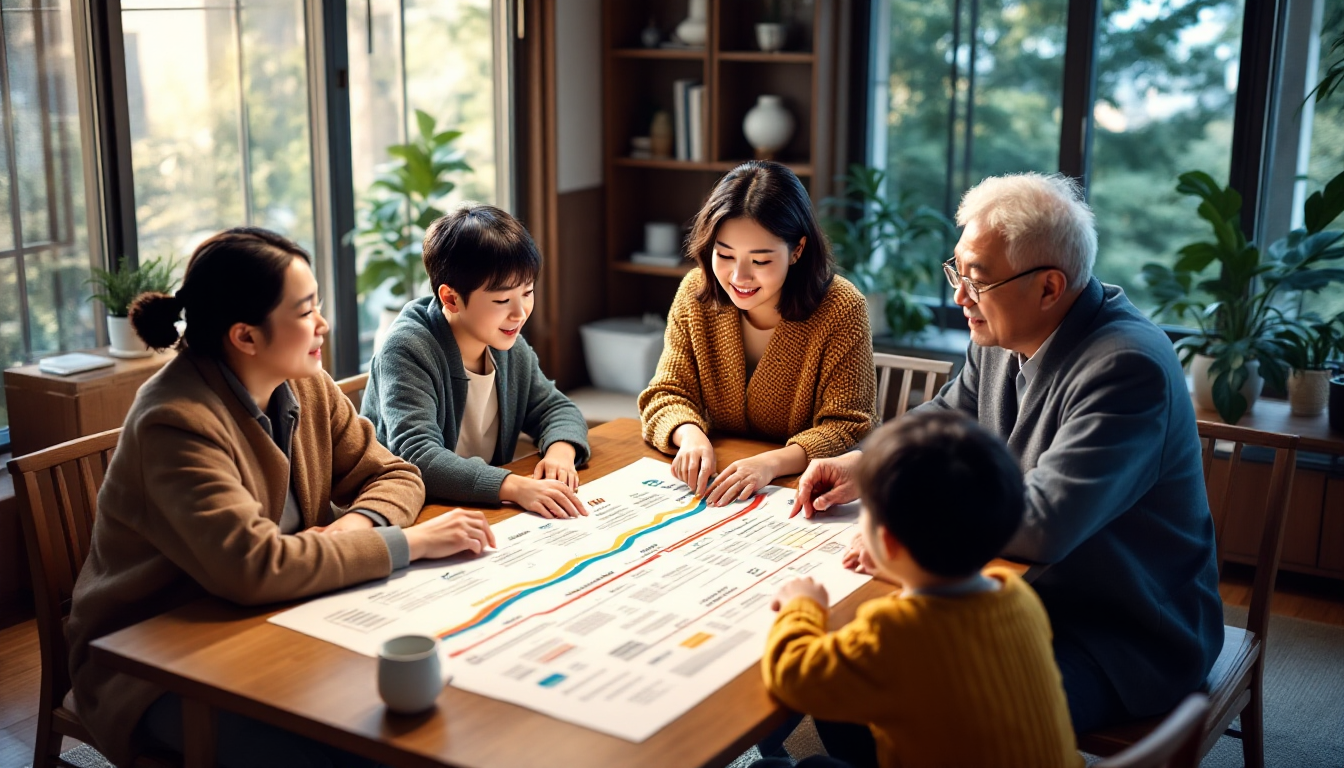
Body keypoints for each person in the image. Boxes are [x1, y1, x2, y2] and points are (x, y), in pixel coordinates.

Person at [795, 172, 1223, 733]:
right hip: (1018, 593)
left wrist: (906, 516)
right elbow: (945, 419)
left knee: (902, 694)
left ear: (1049, 287)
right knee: (856, 669)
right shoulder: (1004, 328)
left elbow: (1045, 524)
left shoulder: (1127, 367)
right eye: (957, 272)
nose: (958, 296)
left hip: (1116, 630)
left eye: (976, 280)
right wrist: (866, 463)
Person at [66, 227, 496, 768]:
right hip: (159, 661)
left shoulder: (304, 382)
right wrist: (407, 542)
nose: (323, 324)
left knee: (441, 714)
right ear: (245, 336)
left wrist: (355, 527)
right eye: (305, 311)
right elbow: (254, 568)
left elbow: (397, 474)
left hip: (286, 614)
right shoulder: (174, 422)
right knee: (357, 752)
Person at [759, 411, 1082, 768]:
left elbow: (794, 676)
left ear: (889, 542)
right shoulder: (1017, 596)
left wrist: (801, 607)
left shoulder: (892, 630)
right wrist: (906, 570)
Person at [638, 161, 876, 505]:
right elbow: (665, 393)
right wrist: (690, 436)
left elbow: (848, 426)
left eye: (761, 261)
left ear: (797, 250)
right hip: (718, 478)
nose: (739, 277)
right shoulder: (695, 293)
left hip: (799, 487)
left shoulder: (841, 308)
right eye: (724, 255)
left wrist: (771, 463)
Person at [362, 203, 591, 519]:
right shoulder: (407, 349)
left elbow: (556, 408)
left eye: (527, 292)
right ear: (451, 299)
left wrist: (560, 455)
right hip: (407, 514)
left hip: (476, 509)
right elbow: (417, 456)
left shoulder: (507, 346)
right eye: (501, 300)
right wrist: (514, 486)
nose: (520, 312)